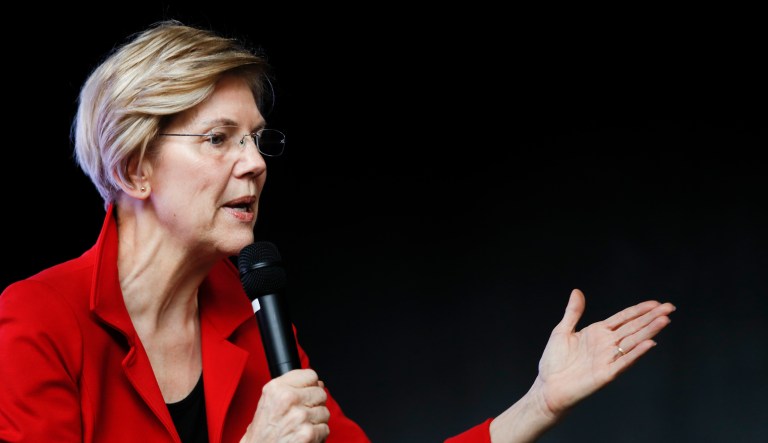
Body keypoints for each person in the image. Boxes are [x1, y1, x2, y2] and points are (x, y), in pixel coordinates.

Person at [0, 20, 675, 443]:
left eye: (257, 140)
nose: (255, 163)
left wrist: (538, 404)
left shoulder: (252, 322)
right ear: (134, 167)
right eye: (219, 138)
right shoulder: (38, 320)